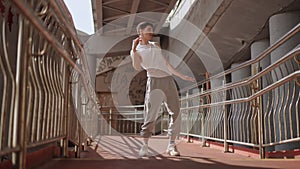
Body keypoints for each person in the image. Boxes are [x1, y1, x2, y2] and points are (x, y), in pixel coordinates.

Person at [130, 22, 195, 157]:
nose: (151, 32)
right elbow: (137, 67)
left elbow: (166, 63)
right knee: (151, 116)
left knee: (176, 112)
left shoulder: (156, 45)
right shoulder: (136, 51)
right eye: (148, 30)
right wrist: (134, 50)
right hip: (154, 81)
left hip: (168, 80)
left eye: (151, 30)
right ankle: (145, 146)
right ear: (140, 32)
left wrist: (181, 76)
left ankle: (171, 145)